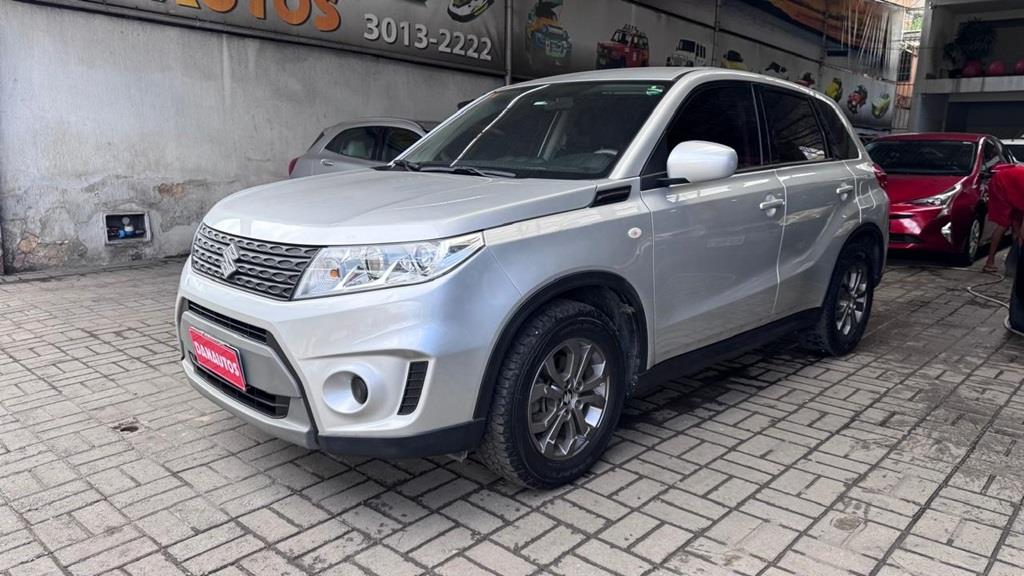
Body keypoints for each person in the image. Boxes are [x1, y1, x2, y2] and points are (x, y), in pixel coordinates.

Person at [984, 162, 1024, 333]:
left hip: (1011, 184)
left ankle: (1013, 262)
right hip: (1002, 185)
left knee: (1016, 221)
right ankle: (989, 262)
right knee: (1003, 223)